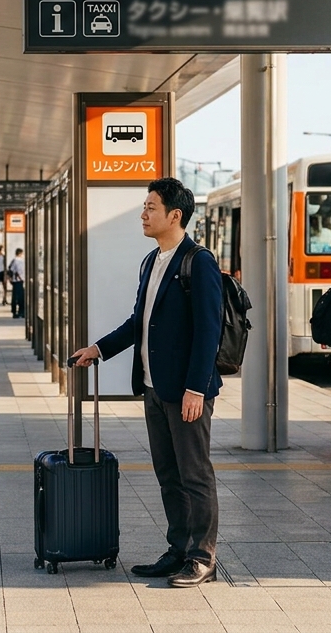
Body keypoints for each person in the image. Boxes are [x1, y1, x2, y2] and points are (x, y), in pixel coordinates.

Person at [71, 178, 224, 589]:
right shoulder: (151, 261)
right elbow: (138, 323)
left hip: (186, 391)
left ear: (175, 215)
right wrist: (99, 349)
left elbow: (209, 332)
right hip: (155, 387)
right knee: (168, 473)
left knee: (195, 474)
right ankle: (178, 549)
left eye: (151, 207)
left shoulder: (199, 261)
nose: (143, 213)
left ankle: (202, 556)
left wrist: (196, 388)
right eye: (144, 206)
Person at [8, 248, 26, 319]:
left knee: (15, 297)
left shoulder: (14, 261)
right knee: (21, 297)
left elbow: (10, 270)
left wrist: (10, 279)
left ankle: (15, 312)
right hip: (19, 281)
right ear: (20, 253)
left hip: (16, 281)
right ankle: (21, 312)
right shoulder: (19, 261)